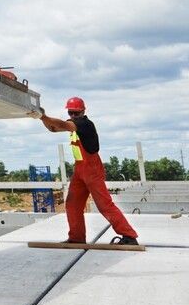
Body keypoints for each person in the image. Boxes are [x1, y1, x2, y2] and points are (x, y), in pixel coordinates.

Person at [32, 97, 139, 246]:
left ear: (83, 111)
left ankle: (129, 236)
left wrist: (43, 116)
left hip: (92, 169)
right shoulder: (74, 123)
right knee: (72, 204)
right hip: (80, 170)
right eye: (71, 113)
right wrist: (42, 118)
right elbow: (53, 128)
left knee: (104, 205)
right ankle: (76, 238)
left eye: (76, 113)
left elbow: (62, 124)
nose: (73, 116)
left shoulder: (85, 124)